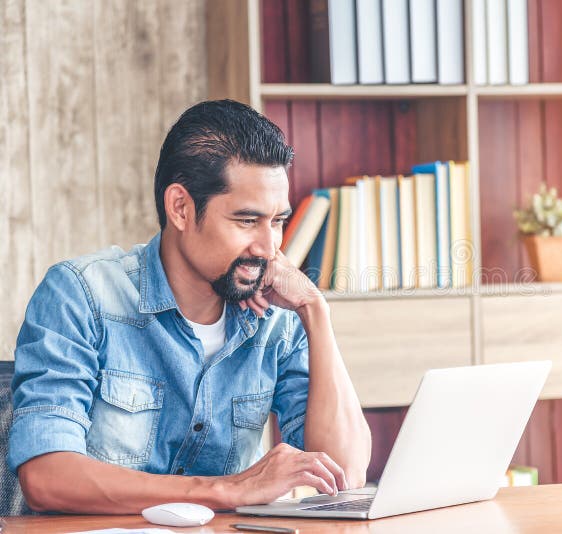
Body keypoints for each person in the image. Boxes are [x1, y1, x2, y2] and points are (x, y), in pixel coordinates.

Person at [7, 99, 371, 513]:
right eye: (247, 221)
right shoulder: (81, 295)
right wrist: (226, 489)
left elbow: (345, 474)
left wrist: (314, 310)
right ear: (180, 207)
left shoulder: (279, 319)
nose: (270, 248)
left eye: (278, 221)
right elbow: (47, 475)